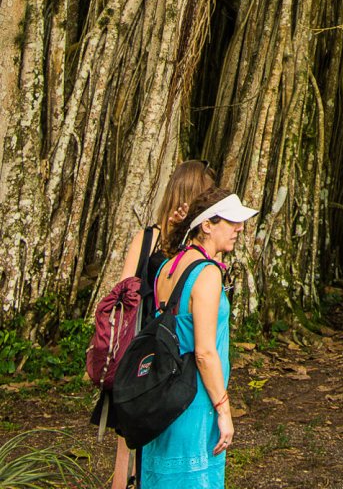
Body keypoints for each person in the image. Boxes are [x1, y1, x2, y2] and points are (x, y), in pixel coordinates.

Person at [97, 159, 218, 489]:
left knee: (137, 441)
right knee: (133, 442)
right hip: (156, 352)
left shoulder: (158, 240)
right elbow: (127, 292)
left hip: (145, 352)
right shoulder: (161, 242)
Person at [142, 187, 258, 489]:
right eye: (231, 222)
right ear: (207, 225)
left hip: (164, 399)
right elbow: (205, 352)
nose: (239, 229)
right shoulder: (207, 273)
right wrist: (224, 409)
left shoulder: (167, 267)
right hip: (194, 402)